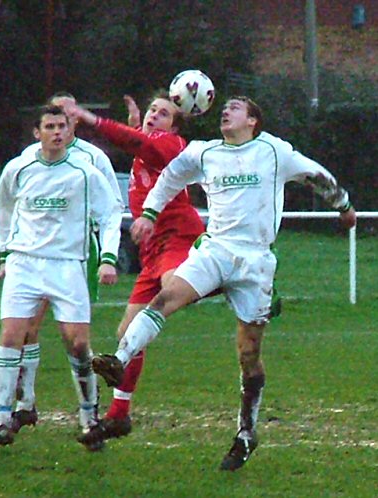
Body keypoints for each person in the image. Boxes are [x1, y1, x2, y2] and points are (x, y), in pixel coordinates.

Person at [90, 97, 357, 470]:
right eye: (225, 108)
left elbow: (314, 174)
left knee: (248, 355)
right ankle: (118, 360)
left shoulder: (273, 151)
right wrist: (149, 213)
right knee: (165, 298)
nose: (226, 112)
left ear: (253, 120)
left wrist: (343, 205)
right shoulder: (205, 152)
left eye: (235, 107)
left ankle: (246, 433)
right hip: (214, 251)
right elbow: (169, 178)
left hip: (255, 262)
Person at [57, 91, 206, 445]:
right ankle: (119, 415)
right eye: (152, 110)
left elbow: (143, 144)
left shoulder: (173, 145)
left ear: (176, 124)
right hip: (152, 249)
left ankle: (232, 282)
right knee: (128, 333)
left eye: (164, 113)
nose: (155, 116)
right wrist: (137, 123)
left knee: (175, 290)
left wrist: (90, 118)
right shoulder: (151, 141)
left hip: (178, 237)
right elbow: (140, 141)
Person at [0, 105, 122, 451]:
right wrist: (5, 253)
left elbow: (110, 213)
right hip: (24, 263)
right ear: (37, 132)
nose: (58, 132)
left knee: (77, 344)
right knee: (12, 334)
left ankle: (90, 419)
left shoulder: (84, 172)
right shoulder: (19, 168)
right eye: (50, 126)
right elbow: (4, 210)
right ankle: (1, 419)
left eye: (63, 126)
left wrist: (108, 258)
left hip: (67, 265)